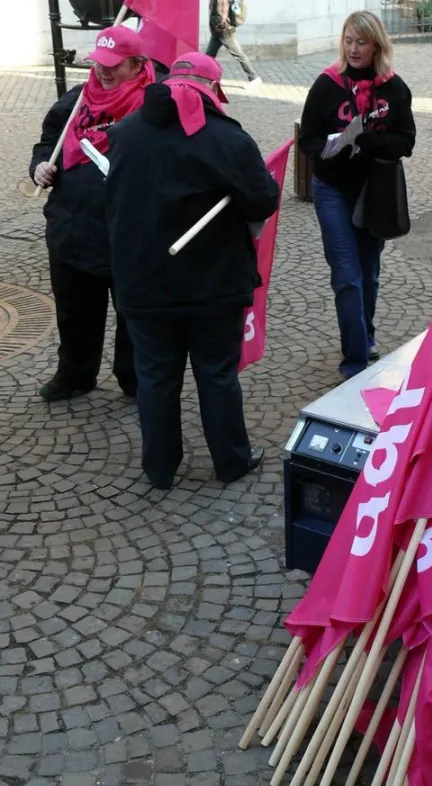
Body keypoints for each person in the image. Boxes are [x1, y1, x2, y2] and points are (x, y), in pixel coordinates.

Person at [105, 52, 280, 490]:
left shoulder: (124, 134)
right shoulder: (228, 140)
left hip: (143, 283)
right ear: (212, 90)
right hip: (212, 286)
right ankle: (231, 461)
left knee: (156, 377)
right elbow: (262, 201)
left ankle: (160, 468)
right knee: (216, 375)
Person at [30, 25, 155, 401]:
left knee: (133, 314)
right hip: (73, 228)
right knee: (74, 311)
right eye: (99, 62)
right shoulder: (77, 99)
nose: (103, 71)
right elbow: (48, 142)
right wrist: (38, 165)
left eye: (114, 64)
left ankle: (134, 379)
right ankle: (75, 374)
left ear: (137, 65)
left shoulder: (154, 105)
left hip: (128, 234)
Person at [299, 10, 416, 379]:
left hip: (374, 193)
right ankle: (355, 362)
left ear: (376, 44)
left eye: (361, 42)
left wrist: (368, 139)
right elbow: (307, 140)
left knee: (369, 273)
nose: (353, 48)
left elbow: (406, 141)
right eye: (348, 40)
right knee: (347, 275)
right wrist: (331, 146)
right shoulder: (327, 85)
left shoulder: (394, 88)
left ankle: (364, 335)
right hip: (332, 189)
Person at [206, 0, 261, 85]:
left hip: (224, 32)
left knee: (239, 55)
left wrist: (221, 24)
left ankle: (254, 78)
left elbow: (223, 8)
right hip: (217, 31)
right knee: (209, 55)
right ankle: (206, 77)